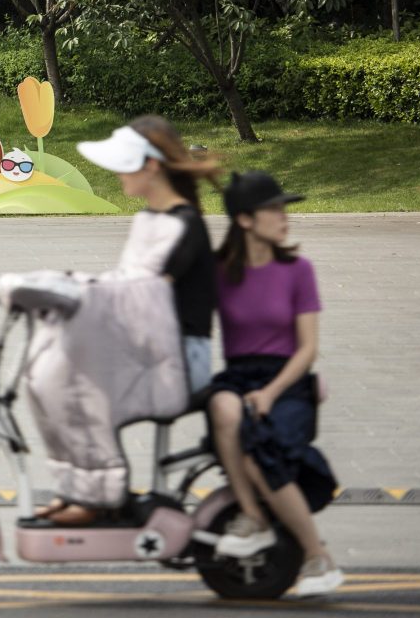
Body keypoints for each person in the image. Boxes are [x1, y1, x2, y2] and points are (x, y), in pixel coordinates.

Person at [35, 115, 220, 525]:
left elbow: (140, 294)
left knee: (74, 390)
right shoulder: (150, 220)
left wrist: (74, 292)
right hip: (149, 345)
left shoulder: (182, 226)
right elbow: (125, 288)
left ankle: (100, 496)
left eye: (125, 166)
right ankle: (78, 490)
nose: (118, 175)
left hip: (177, 358)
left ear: (151, 166)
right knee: (47, 379)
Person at [208, 171, 342, 598]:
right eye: (273, 209)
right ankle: (254, 517)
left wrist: (270, 393)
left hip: (287, 380)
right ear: (245, 220)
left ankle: (318, 555)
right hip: (240, 375)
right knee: (223, 408)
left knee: (259, 452)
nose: (284, 217)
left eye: (284, 208)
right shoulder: (220, 271)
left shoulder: (298, 270)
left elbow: (307, 350)